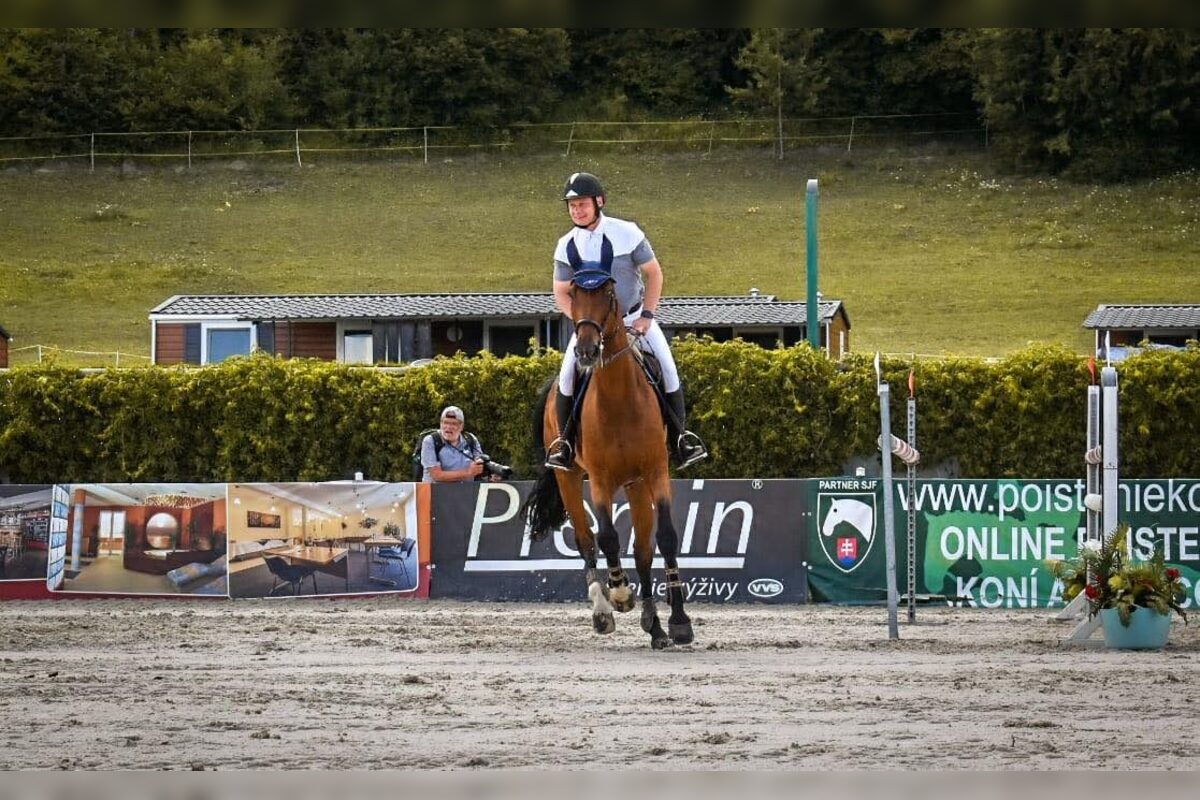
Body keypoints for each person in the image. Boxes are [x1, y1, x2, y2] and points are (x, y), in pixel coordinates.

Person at [545, 171, 708, 472]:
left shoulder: (627, 233)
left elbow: (654, 274)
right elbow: (560, 293)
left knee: (668, 368)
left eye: (581, 204)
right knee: (566, 376)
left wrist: (647, 316)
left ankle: (681, 440)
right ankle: (565, 445)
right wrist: (585, 325)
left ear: (599, 202)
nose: (576, 210)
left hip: (634, 319)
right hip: (591, 327)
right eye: (571, 206)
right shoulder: (566, 245)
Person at [421, 406, 496, 483]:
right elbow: (436, 475)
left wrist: (490, 475)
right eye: (445, 422)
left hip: (466, 492)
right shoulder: (431, 441)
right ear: (440, 424)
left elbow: (479, 466)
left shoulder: (470, 439)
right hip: (435, 493)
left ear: (461, 426)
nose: (448, 427)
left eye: (453, 424)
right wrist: (468, 473)